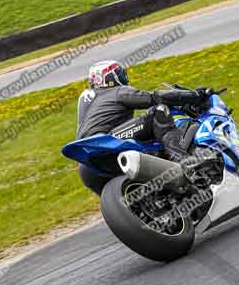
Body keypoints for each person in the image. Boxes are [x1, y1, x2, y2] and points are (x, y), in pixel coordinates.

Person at [75, 60, 211, 194]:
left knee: (146, 142)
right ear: (111, 78)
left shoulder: (86, 101)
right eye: (120, 74)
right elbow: (155, 98)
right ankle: (186, 162)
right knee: (159, 111)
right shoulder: (117, 91)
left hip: (86, 167)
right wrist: (195, 95)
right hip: (107, 142)